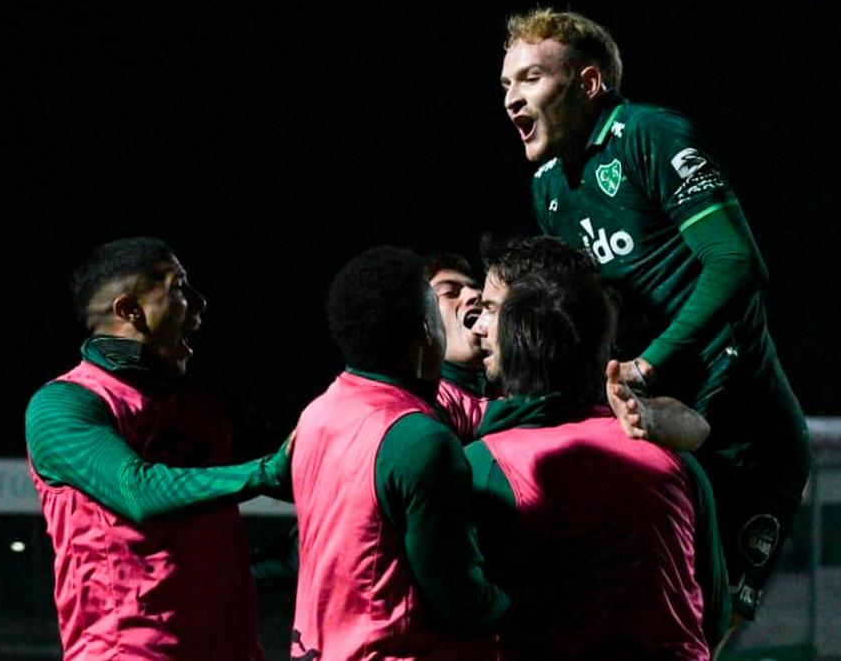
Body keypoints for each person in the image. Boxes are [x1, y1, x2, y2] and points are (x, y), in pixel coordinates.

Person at [499, 8, 809, 617]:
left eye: (530, 78)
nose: (511, 100)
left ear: (588, 83)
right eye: (506, 85)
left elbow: (736, 263)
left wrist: (647, 367)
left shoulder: (649, 134)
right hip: (656, 429)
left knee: (698, 628)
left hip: (742, 434)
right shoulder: (549, 187)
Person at [25, 237, 291, 660]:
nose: (200, 303)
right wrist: (264, 472)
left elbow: (311, 477)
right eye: (179, 288)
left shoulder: (208, 406)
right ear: (129, 310)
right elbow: (138, 491)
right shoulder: (63, 405)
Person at [465, 245, 728, 659]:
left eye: (496, 309)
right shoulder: (675, 460)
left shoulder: (484, 464)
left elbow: (463, 612)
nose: (478, 326)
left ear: (522, 333)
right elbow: (712, 615)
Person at [291, 246, 510, 660]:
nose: (474, 298)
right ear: (428, 328)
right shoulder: (419, 438)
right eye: (445, 294)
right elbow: (460, 599)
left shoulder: (318, 413)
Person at [426, 253, 490, 444]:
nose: (475, 295)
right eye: (450, 293)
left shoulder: (518, 377)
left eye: (476, 288)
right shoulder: (431, 406)